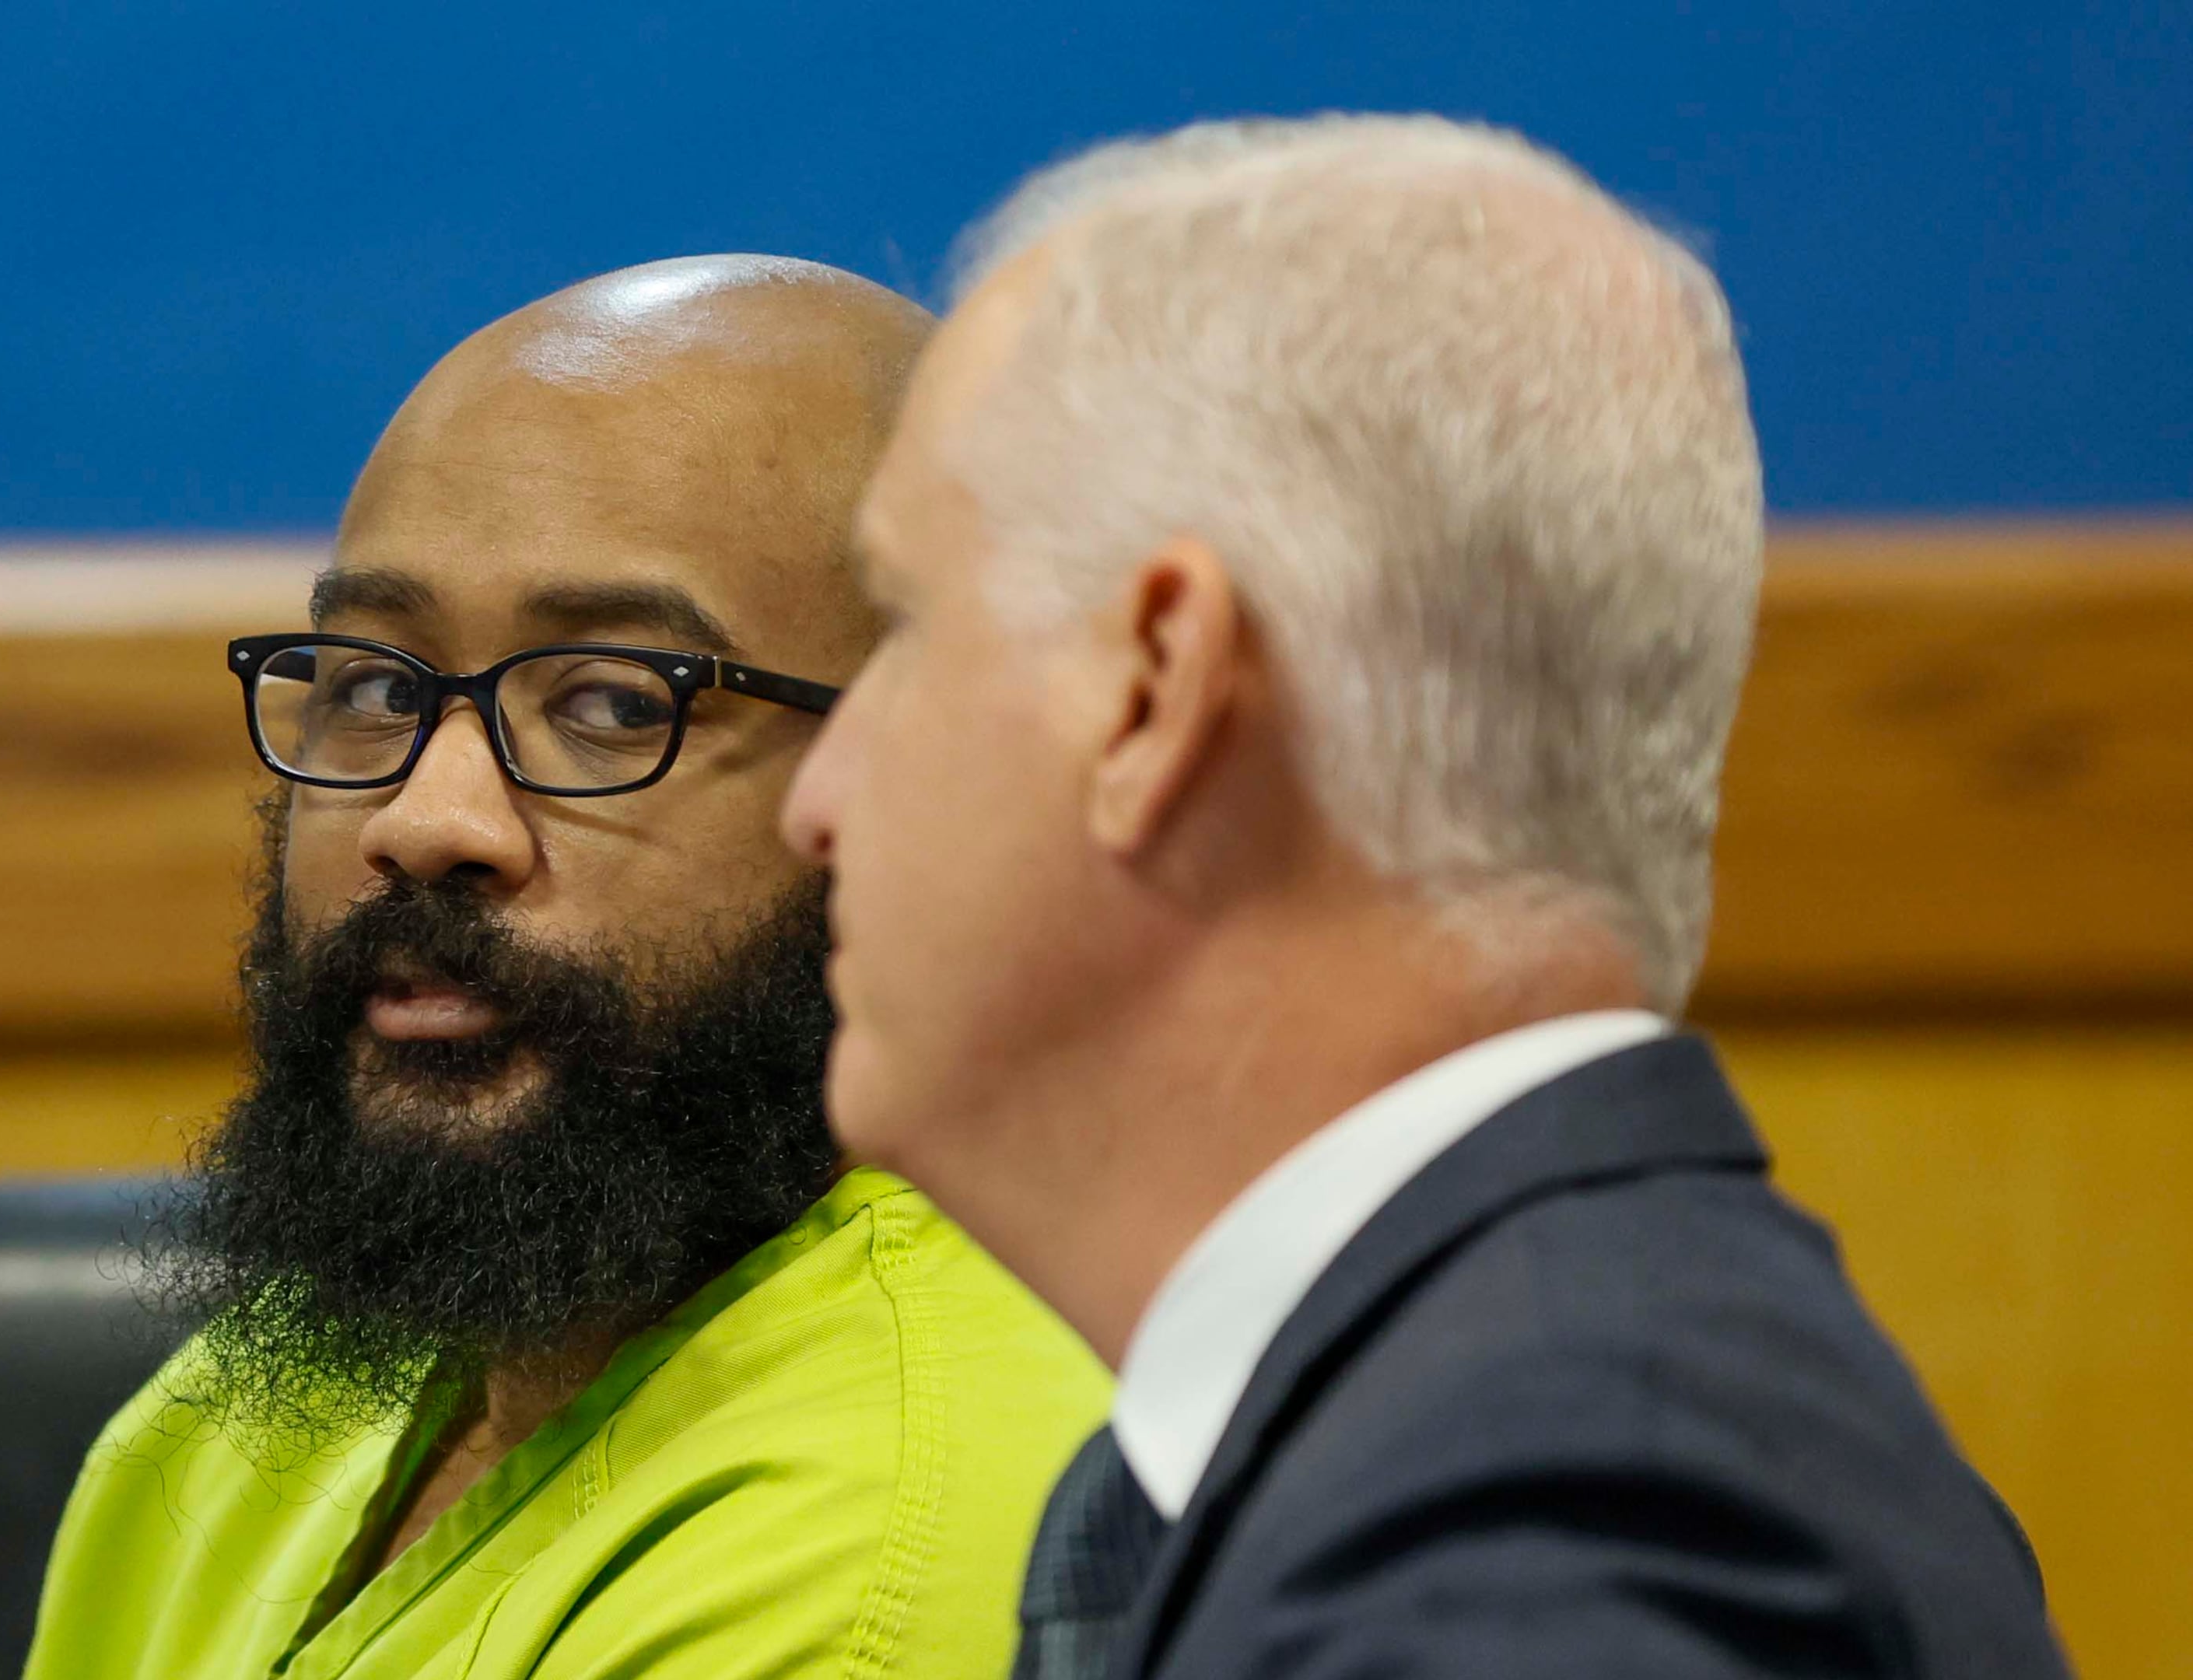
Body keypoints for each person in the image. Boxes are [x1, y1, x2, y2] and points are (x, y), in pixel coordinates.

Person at [783, 117, 2073, 1679]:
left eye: (907, 631)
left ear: (1155, 689)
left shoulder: (1546, 1535)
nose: (816, 803)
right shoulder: (1507, 1419)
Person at [20, 254, 1108, 1680]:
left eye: (606, 704)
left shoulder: (878, 1551)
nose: (425, 820)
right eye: (371, 687)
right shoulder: (266, 1398)